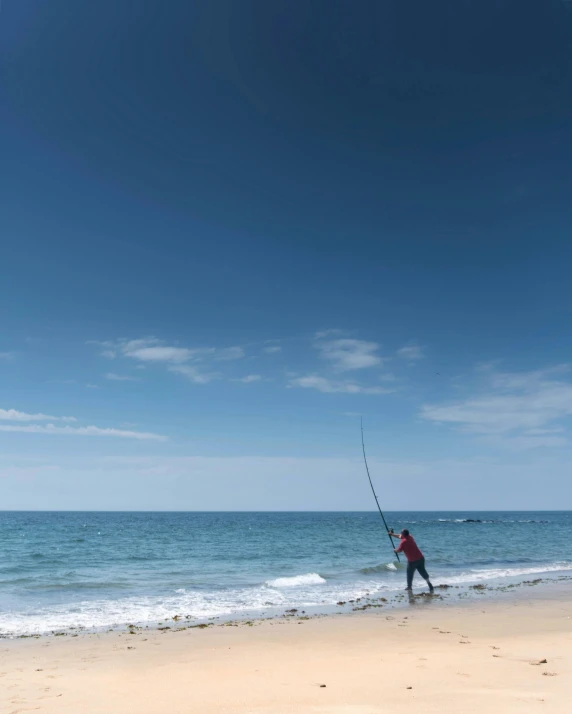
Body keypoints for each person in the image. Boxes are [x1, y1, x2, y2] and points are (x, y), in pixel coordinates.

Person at [389, 528, 434, 593]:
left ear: (404, 534)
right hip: (420, 558)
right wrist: (392, 534)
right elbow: (399, 536)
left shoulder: (403, 542)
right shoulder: (410, 536)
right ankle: (429, 584)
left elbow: (399, 550)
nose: (401, 534)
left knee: (409, 573)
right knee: (423, 572)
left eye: (401, 533)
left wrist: (395, 550)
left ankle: (409, 587)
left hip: (412, 561)